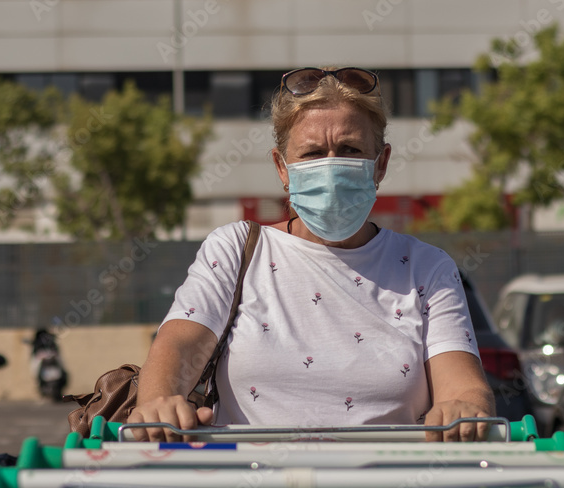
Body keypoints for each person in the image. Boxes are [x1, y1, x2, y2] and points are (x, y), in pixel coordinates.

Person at [127, 66, 495, 442]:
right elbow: (179, 344)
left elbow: (463, 386)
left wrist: (464, 406)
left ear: (380, 164)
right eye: (313, 153)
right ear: (282, 168)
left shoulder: (426, 268)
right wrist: (159, 400)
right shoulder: (236, 250)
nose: (331, 167)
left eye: (350, 150)